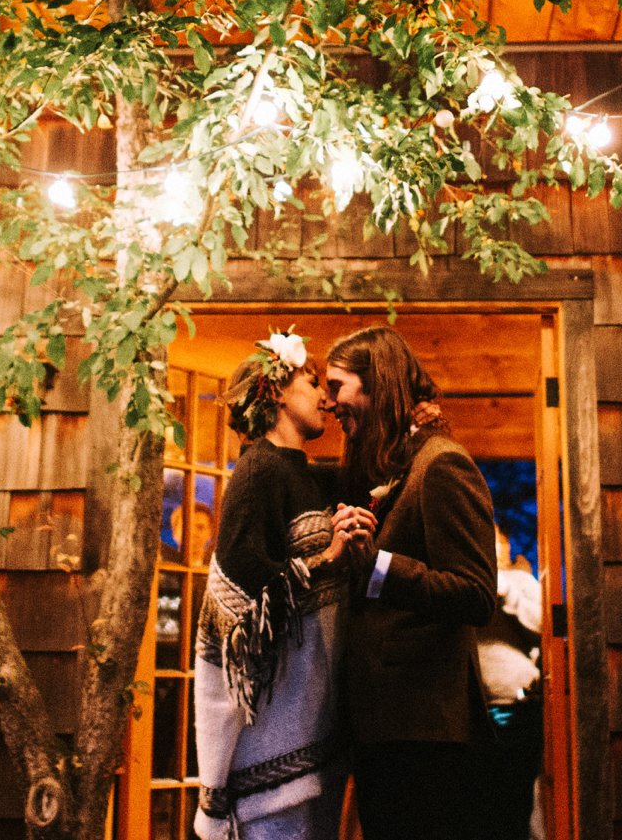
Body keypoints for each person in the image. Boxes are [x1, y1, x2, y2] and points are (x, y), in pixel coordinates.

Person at [324, 325, 498, 840]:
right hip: (387, 728)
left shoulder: (442, 465)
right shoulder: (394, 466)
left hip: (425, 735)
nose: (330, 403)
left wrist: (377, 566)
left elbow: (475, 594)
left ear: (377, 384)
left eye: (337, 386)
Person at [192, 331, 361, 840]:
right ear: (279, 392)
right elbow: (241, 600)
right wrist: (326, 561)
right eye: (314, 382)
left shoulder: (302, 474)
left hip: (313, 735)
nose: (326, 399)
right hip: (271, 742)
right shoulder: (258, 470)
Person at [476, 526, 545, 840]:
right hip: (472, 712)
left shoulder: (518, 581)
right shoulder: (465, 587)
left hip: (517, 704)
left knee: (518, 799)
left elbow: (545, 624)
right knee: (483, 804)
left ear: (503, 547)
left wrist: (507, 593)